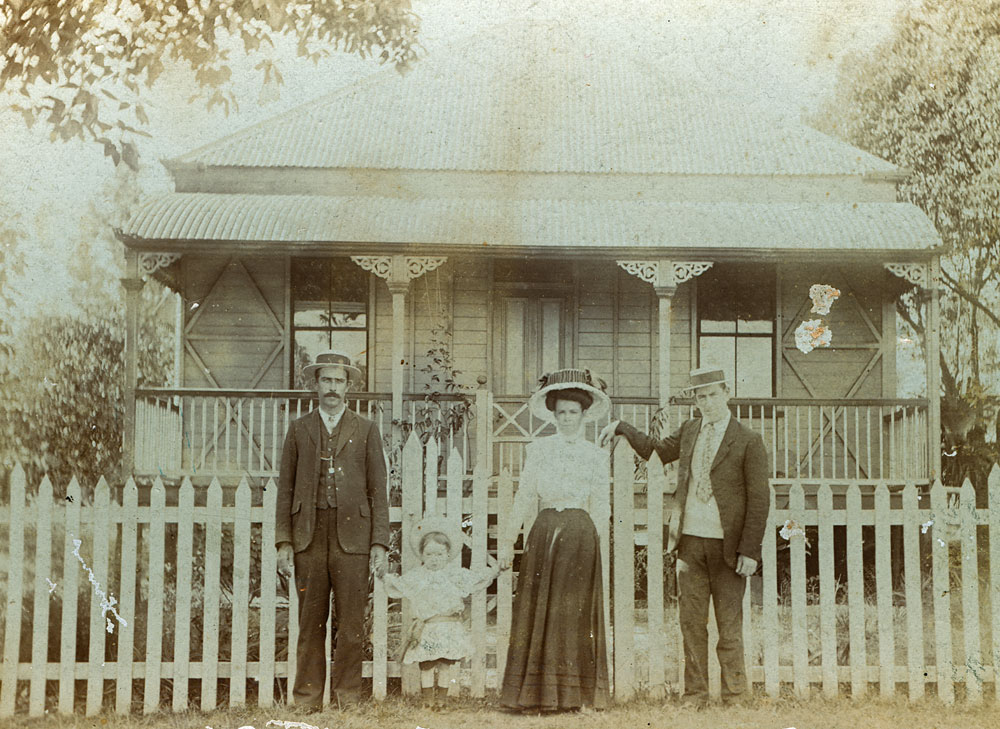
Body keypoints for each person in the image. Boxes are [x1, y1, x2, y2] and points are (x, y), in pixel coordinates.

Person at [598, 366, 769, 707]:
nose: (707, 402)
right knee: (691, 625)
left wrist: (749, 551)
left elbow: (759, 499)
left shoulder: (749, 439)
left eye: (713, 394)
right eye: (700, 396)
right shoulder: (690, 431)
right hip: (689, 544)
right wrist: (621, 427)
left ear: (727, 393)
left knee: (729, 627)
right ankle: (695, 695)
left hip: (729, 548)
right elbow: (654, 451)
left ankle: (735, 695)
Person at [275, 350, 389, 710]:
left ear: (349, 387)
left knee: (352, 621)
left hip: (353, 537)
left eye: (339, 381)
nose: (332, 388)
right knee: (310, 622)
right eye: (326, 380)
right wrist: (284, 542)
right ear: (315, 384)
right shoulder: (299, 429)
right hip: (308, 535)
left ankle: (348, 697)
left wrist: (379, 543)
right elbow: (285, 490)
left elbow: (378, 490)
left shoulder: (367, 429)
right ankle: (307, 699)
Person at [499, 368, 612, 713]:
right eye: (561, 412)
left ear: (582, 415)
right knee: (540, 610)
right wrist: (507, 541)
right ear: (554, 414)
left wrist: (593, 540)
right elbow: (523, 497)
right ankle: (535, 694)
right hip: (545, 530)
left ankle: (575, 695)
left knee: (574, 613)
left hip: (580, 533)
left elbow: (601, 505)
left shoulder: (595, 454)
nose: (566, 419)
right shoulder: (539, 449)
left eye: (573, 413)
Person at [380, 516, 502, 706]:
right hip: (428, 630)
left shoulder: (455, 575)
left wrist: (495, 571)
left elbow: (477, 579)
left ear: (448, 554)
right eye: (429, 555)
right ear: (422, 555)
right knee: (427, 665)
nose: (434, 559)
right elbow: (398, 585)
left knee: (445, 664)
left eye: (439, 554)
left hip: (448, 628)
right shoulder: (418, 576)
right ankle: (428, 701)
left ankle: (442, 701)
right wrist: (383, 576)